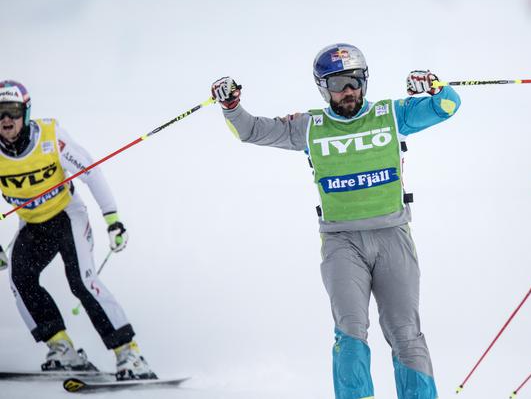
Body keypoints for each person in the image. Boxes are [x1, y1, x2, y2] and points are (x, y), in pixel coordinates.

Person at [210, 43, 461, 399]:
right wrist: (231, 105)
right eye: (339, 83)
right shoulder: (309, 126)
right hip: (342, 243)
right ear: (323, 88)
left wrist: (436, 86)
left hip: (393, 236)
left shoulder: (393, 115)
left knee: (406, 332)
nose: (349, 90)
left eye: (356, 81)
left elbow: (448, 107)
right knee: (351, 330)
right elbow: (250, 131)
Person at [0, 80, 156, 380]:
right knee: (20, 279)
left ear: (26, 112)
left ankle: (129, 353)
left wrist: (112, 219)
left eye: (13, 111)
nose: (6, 119)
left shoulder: (49, 135)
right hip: (32, 224)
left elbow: (91, 172)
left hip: (67, 217)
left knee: (82, 282)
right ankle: (62, 348)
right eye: (0, 112)